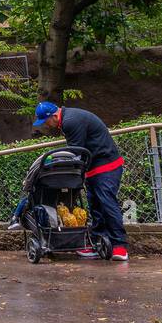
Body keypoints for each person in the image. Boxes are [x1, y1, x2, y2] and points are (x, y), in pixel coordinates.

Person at [33, 101, 129, 261]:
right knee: (95, 205)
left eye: (46, 121)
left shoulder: (71, 121)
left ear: (54, 116)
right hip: (95, 168)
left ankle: (120, 246)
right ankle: (96, 242)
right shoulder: (68, 119)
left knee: (107, 203)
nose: (46, 125)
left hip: (106, 165)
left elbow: (76, 151)